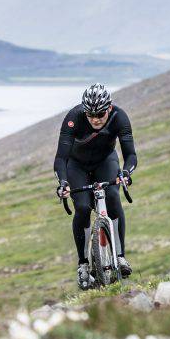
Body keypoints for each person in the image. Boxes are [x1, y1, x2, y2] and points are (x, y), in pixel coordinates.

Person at [54, 83, 137, 289]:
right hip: (76, 166)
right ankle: (83, 264)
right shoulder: (74, 118)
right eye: (90, 114)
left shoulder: (119, 117)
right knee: (82, 207)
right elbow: (61, 158)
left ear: (109, 108)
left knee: (112, 196)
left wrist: (126, 173)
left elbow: (130, 154)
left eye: (100, 113)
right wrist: (63, 182)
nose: (95, 119)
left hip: (105, 162)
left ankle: (120, 255)